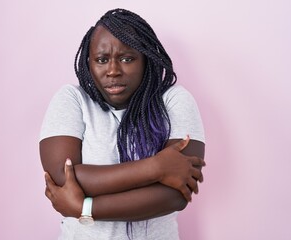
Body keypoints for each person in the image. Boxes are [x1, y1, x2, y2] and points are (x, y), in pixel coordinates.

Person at [39, 8, 206, 240]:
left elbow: (175, 195)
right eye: (102, 59)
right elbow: (62, 177)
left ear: (146, 60)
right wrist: (156, 168)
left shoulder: (175, 101)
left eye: (127, 59)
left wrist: (84, 208)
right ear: (89, 63)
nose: (113, 71)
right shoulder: (72, 100)